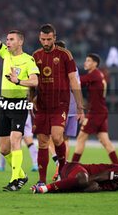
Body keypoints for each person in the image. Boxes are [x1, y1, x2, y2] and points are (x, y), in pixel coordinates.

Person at [0, 1, 39, 191]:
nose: (8, 41)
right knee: (4, 149)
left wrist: (18, 81)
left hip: (20, 103)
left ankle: (15, 181)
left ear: (20, 41)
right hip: (4, 103)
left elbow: (35, 81)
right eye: (7, 39)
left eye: (11, 39)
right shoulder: (6, 54)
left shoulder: (28, 60)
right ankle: (21, 174)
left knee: (15, 140)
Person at [30, 24, 84, 186]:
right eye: (43, 39)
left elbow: (74, 80)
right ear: (40, 39)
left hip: (60, 104)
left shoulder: (65, 55)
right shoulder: (36, 55)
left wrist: (80, 104)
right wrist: (31, 99)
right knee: (42, 142)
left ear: (54, 38)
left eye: (49, 39)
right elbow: (33, 81)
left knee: (57, 137)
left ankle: (62, 170)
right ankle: (41, 180)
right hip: (42, 105)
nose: (46, 42)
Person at [72, 54, 118, 164]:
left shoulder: (94, 74)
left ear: (95, 64)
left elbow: (78, 82)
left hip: (95, 113)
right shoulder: (98, 74)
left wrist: (69, 75)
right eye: (86, 60)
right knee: (105, 141)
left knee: (81, 138)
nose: (85, 62)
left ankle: (72, 167)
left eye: (88, 61)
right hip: (101, 111)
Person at [47, 40, 80, 181]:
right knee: (65, 140)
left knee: (48, 138)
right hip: (72, 107)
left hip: (59, 106)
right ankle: (62, 171)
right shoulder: (74, 67)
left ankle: (58, 164)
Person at [31, 162, 118, 193]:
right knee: (85, 180)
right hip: (73, 167)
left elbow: (97, 185)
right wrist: (80, 184)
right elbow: (98, 176)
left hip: (73, 176)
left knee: (92, 186)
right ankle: (45, 188)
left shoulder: (117, 186)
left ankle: (61, 184)